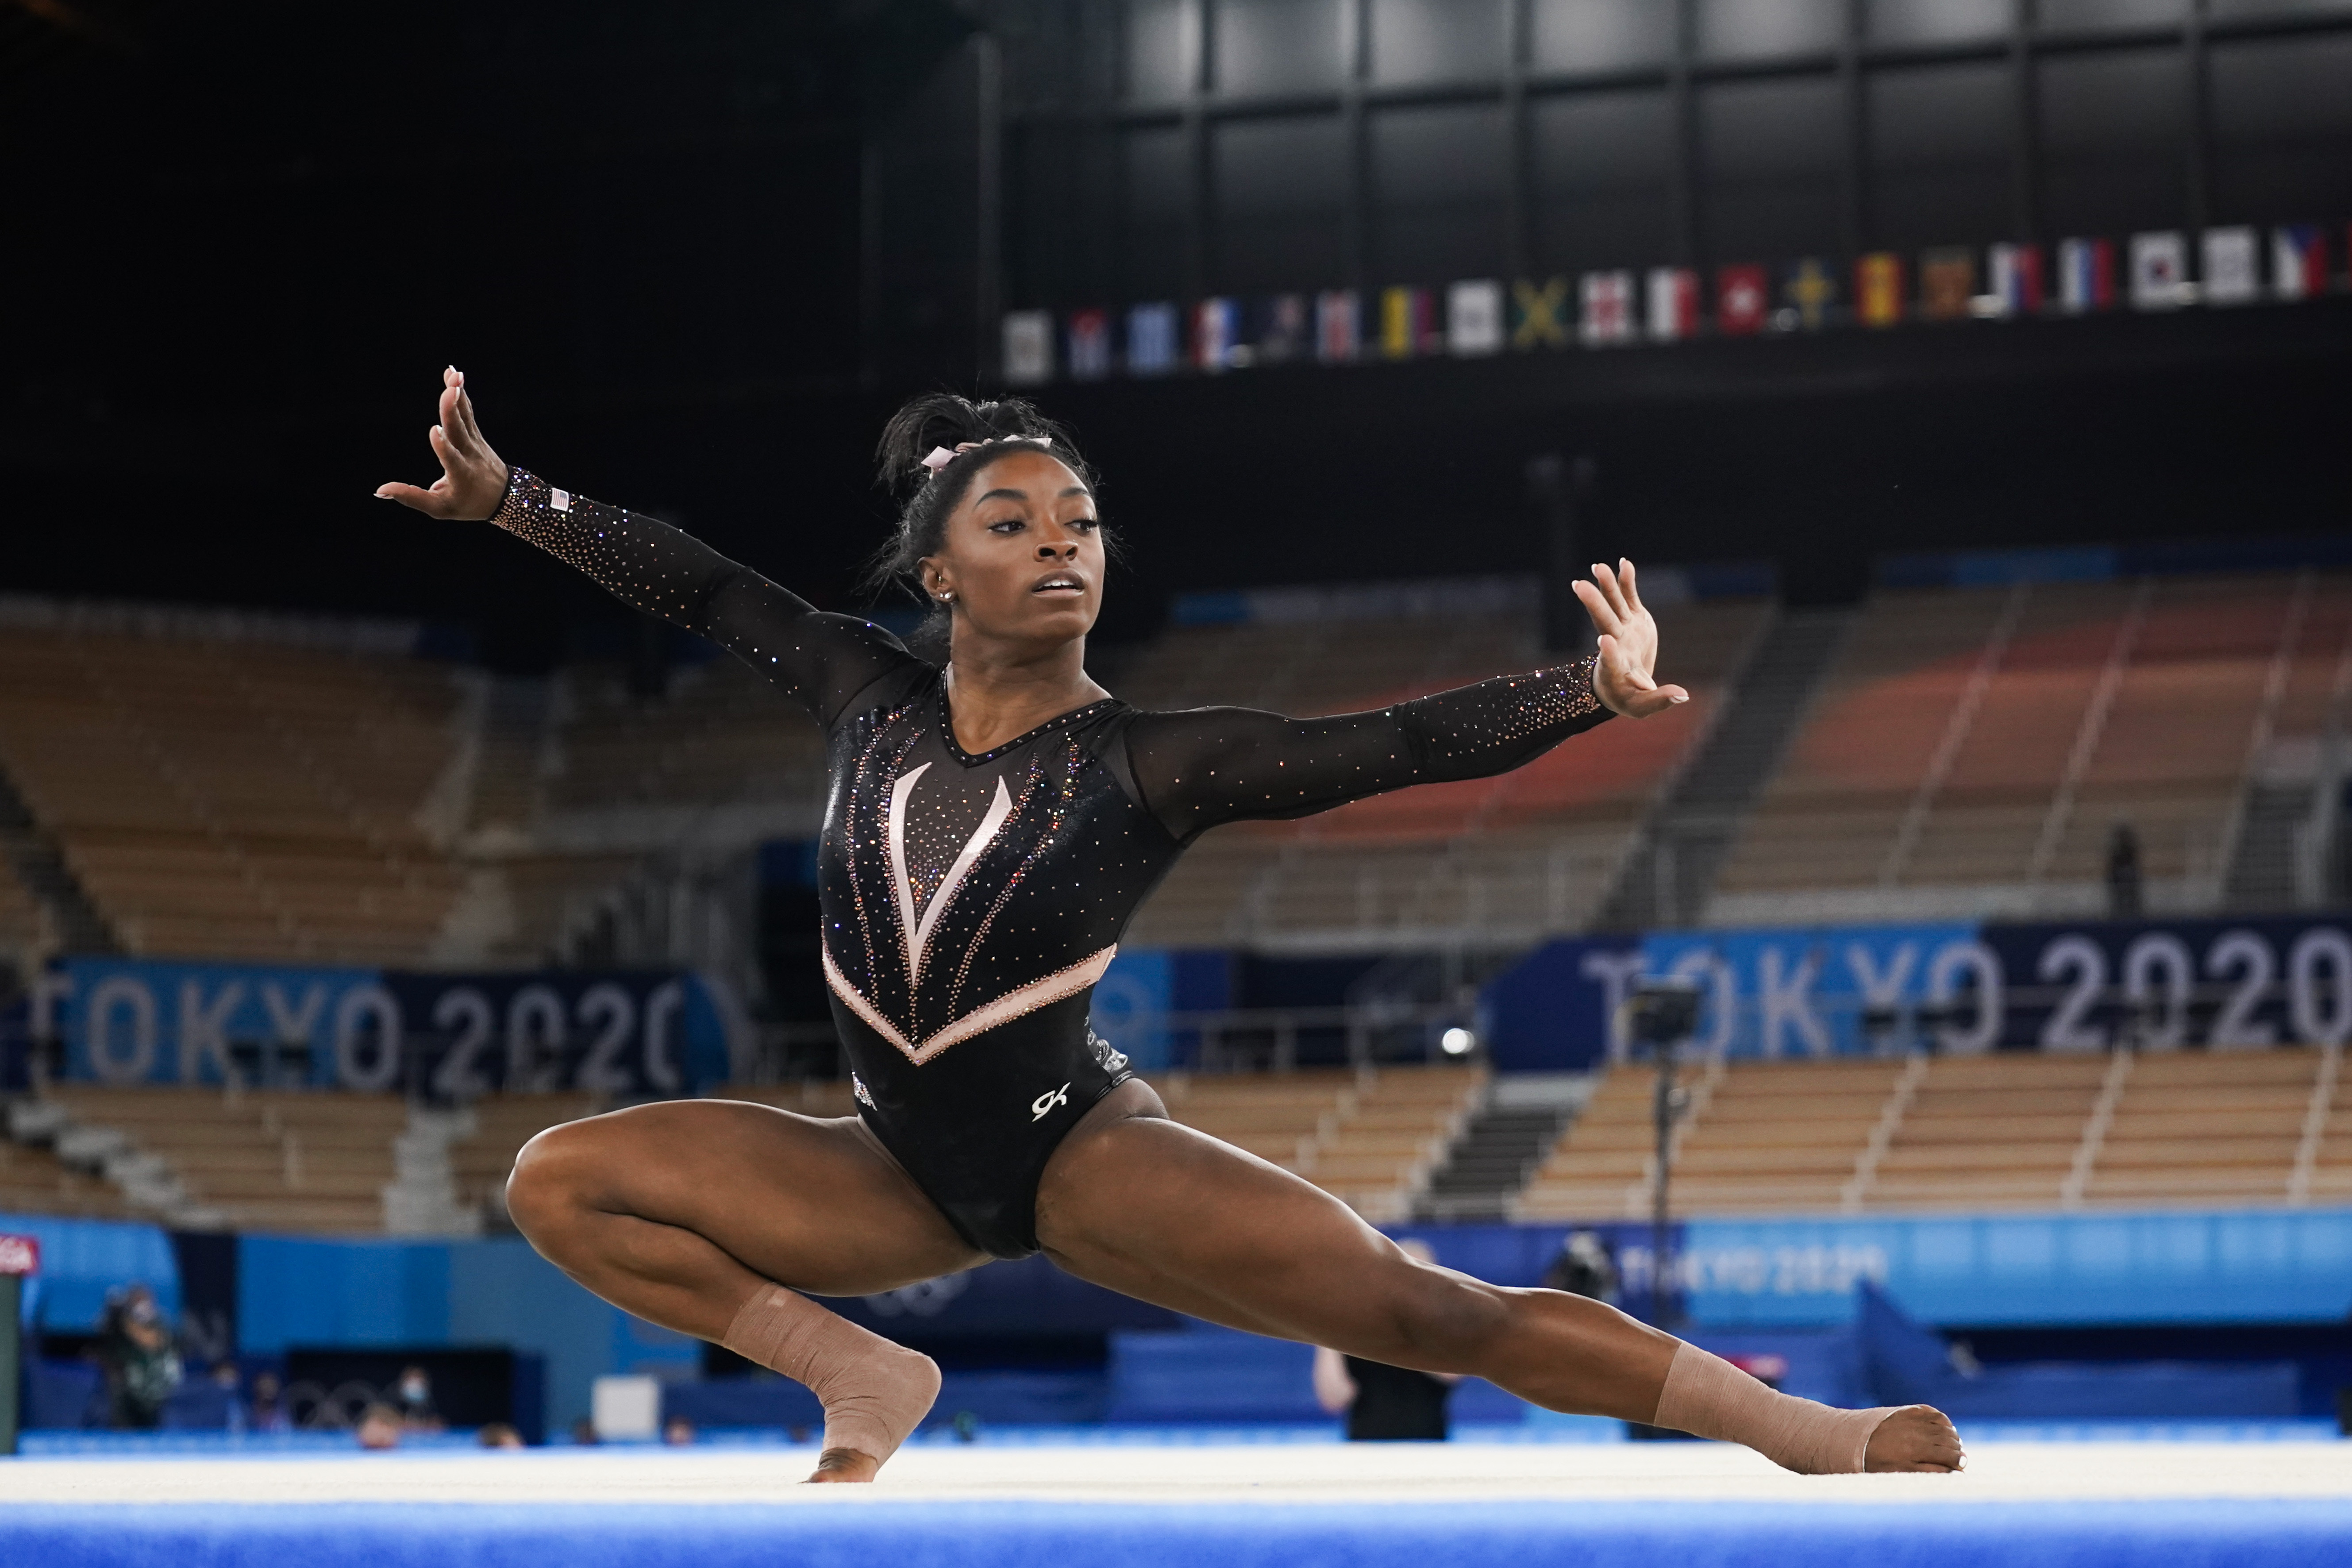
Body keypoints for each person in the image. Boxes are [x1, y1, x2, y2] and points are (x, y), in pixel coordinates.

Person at [381, 370, 1961, 1484]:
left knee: (1429, 1312)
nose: (1059, 542)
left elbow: (1392, 744)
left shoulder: (1149, 759)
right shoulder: (863, 693)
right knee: (559, 1177)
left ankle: (1810, 1436)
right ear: (937, 571)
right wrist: (514, 501)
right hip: (885, 1168)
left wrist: (1586, 690)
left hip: (1080, 1153)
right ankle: (853, 1366)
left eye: (1078, 522)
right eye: (1013, 524)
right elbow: (708, 588)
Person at [1313, 1239, 1460, 1440]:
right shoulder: (1356, 1334)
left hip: (1426, 1447)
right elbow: (1334, 1399)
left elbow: (1451, 1374)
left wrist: (1413, 1322)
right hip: (1367, 1448)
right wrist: (1328, 1336)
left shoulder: (1440, 1334)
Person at [98, 1284, 181, 1431]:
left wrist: (126, 1322)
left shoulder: (158, 1322)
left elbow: (151, 1342)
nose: (141, 1307)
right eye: (136, 1301)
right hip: (128, 1394)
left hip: (157, 1392)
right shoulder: (117, 1327)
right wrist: (116, 1318)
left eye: (143, 1301)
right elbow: (102, 1349)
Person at [1543, 1230, 1620, 1305]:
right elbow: (1553, 1283)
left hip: (1595, 1301)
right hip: (1570, 1300)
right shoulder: (1566, 1266)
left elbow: (1610, 1285)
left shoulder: (1600, 1263)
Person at [392, 1364, 444, 1432]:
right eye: (412, 1379)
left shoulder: (429, 1403)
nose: (416, 1384)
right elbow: (387, 1419)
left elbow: (436, 1422)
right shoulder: (393, 1399)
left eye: (420, 1380)